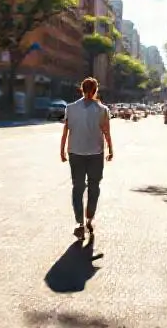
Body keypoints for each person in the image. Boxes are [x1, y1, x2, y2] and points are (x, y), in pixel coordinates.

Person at [60, 77, 113, 238]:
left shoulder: (70, 108)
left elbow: (66, 131)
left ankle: (80, 223)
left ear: (81, 89)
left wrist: (61, 150)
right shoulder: (102, 109)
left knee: (77, 188)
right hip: (95, 154)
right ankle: (89, 218)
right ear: (96, 90)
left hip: (75, 152)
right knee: (94, 186)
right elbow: (106, 132)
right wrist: (111, 149)